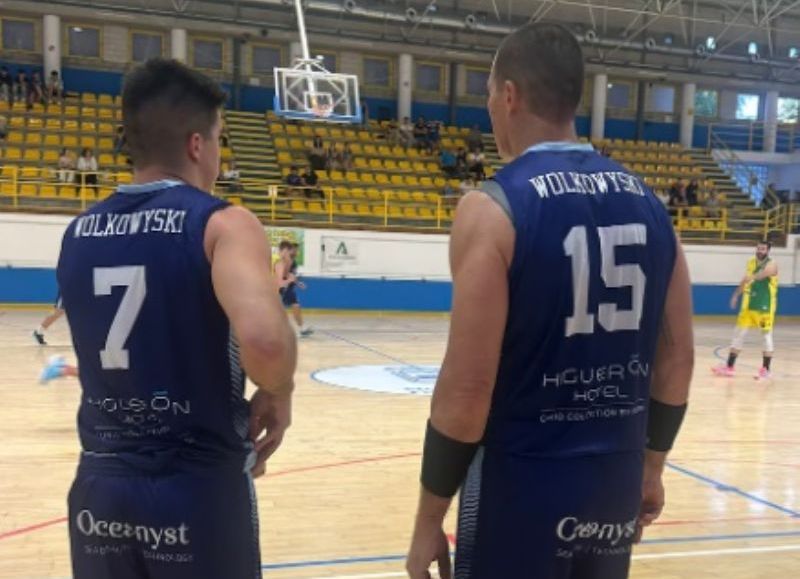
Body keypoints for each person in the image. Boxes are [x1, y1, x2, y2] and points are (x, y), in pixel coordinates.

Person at [406, 23, 693, 579]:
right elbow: (677, 361)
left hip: (520, 488)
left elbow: (467, 391)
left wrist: (427, 521)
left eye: (489, 95)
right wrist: (652, 466)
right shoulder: (653, 208)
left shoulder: (493, 209)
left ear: (509, 95)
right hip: (613, 484)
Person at [54, 58, 297, 579]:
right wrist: (279, 390)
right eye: (220, 139)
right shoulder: (220, 224)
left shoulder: (77, 233)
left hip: (101, 489)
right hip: (196, 487)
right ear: (197, 145)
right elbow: (268, 345)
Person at [712, 240, 778, 380]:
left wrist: (751, 277)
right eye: (758, 248)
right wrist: (736, 295)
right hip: (748, 306)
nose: (760, 251)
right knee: (738, 335)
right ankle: (729, 367)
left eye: (763, 249)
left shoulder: (772, 263)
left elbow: (766, 273)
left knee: (766, 337)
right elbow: (745, 280)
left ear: (768, 251)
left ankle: (766, 370)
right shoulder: (751, 262)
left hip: (764, 306)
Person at [274, 240, 313, 337]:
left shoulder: (289, 263)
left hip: (287, 289)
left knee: (295, 306)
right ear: (282, 251)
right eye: (286, 251)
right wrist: (289, 281)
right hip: (280, 291)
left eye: (289, 251)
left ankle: (302, 328)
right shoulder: (279, 264)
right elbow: (280, 282)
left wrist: (298, 283)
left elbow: (289, 275)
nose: (288, 253)